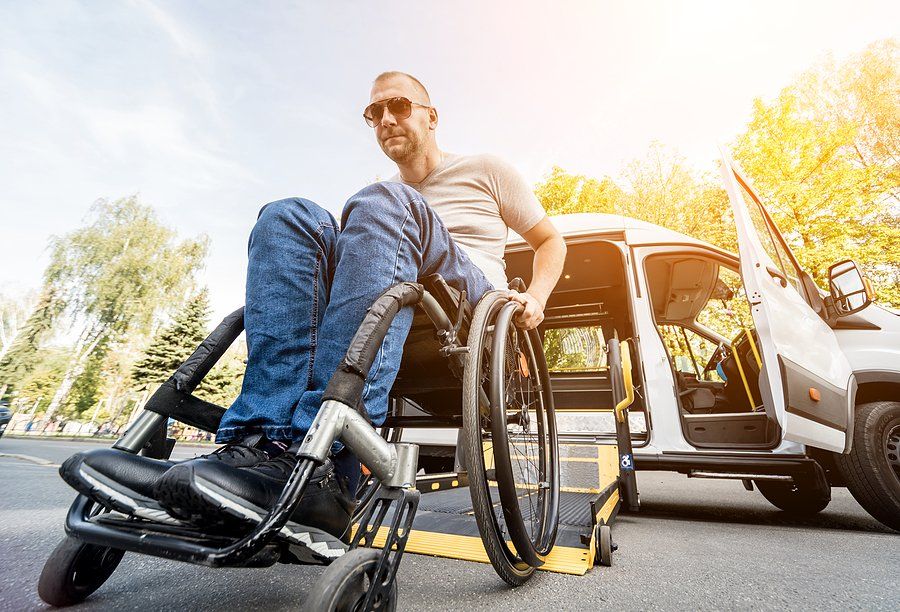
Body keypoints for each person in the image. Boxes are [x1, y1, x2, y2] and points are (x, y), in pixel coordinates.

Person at [59, 71, 566, 542]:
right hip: (395, 287)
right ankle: (262, 444)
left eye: (399, 105)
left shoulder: (483, 170)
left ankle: (326, 460)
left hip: (468, 299)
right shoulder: (384, 197)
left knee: (383, 202)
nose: (385, 119)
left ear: (431, 116)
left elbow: (550, 242)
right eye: (374, 113)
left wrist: (535, 299)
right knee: (289, 216)